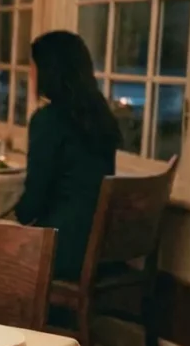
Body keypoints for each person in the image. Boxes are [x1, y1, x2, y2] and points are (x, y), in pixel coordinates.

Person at [14, 30, 121, 281]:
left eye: (33, 67)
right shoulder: (100, 115)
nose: (30, 75)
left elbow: (33, 202)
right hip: (97, 244)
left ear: (48, 70)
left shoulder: (48, 121)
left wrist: (11, 216)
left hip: (60, 248)